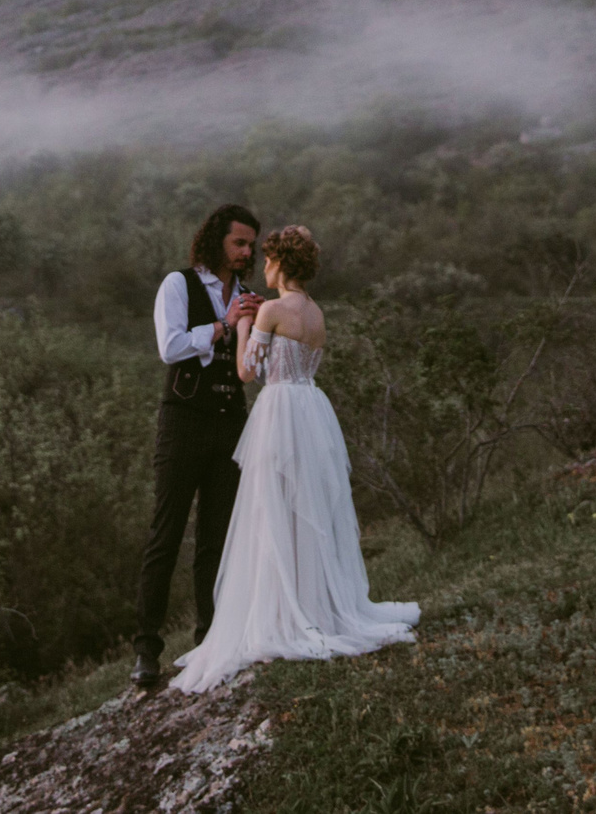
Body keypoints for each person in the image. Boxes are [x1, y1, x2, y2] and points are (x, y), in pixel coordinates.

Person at [169, 224, 417, 694]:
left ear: (280, 263)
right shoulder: (318, 314)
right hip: (312, 409)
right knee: (309, 508)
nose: (262, 266)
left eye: (266, 259)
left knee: (272, 507)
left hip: (279, 410)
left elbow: (247, 372)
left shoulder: (273, 311)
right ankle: (313, 601)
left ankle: (282, 609)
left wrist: (243, 324)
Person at [131, 203, 264, 689]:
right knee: (165, 536)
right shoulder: (178, 284)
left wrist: (264, 330)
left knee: (217, 539)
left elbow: (251, 365)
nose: (247, 252)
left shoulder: (249, 295)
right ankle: (146, 650)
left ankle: (210, 638)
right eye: (239, 243)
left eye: (251, 244)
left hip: (231, 423)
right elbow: (170, 347)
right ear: (216, 241)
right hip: (183, 421)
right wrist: (225, 324)